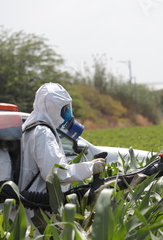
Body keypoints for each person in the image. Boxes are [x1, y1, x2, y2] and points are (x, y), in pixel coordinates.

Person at [19, 82, 105, 230]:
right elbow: (58, 174)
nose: (68, 113)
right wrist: (91, 167)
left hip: (30, 208)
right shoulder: (43, 133)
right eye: (64, 108)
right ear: (54, 108)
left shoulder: (30, 127)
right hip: (38, 211)